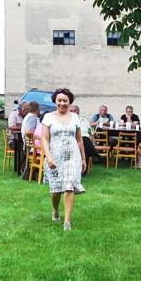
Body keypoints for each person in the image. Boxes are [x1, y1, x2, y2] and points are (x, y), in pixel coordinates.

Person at [41, 88, 87, 231]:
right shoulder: (48, 117)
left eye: (65, 100)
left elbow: (79, 139)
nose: (62, 103)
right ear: (55, 101)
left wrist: (83, 158)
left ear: (69, 102)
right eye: (59, 100)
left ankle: (67, 222)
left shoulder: (75, 117)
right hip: (55, 156)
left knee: (69, 186)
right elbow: (44, 138)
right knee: (56, 190)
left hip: (73, 156)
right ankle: (55, 209)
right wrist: (48, 157)